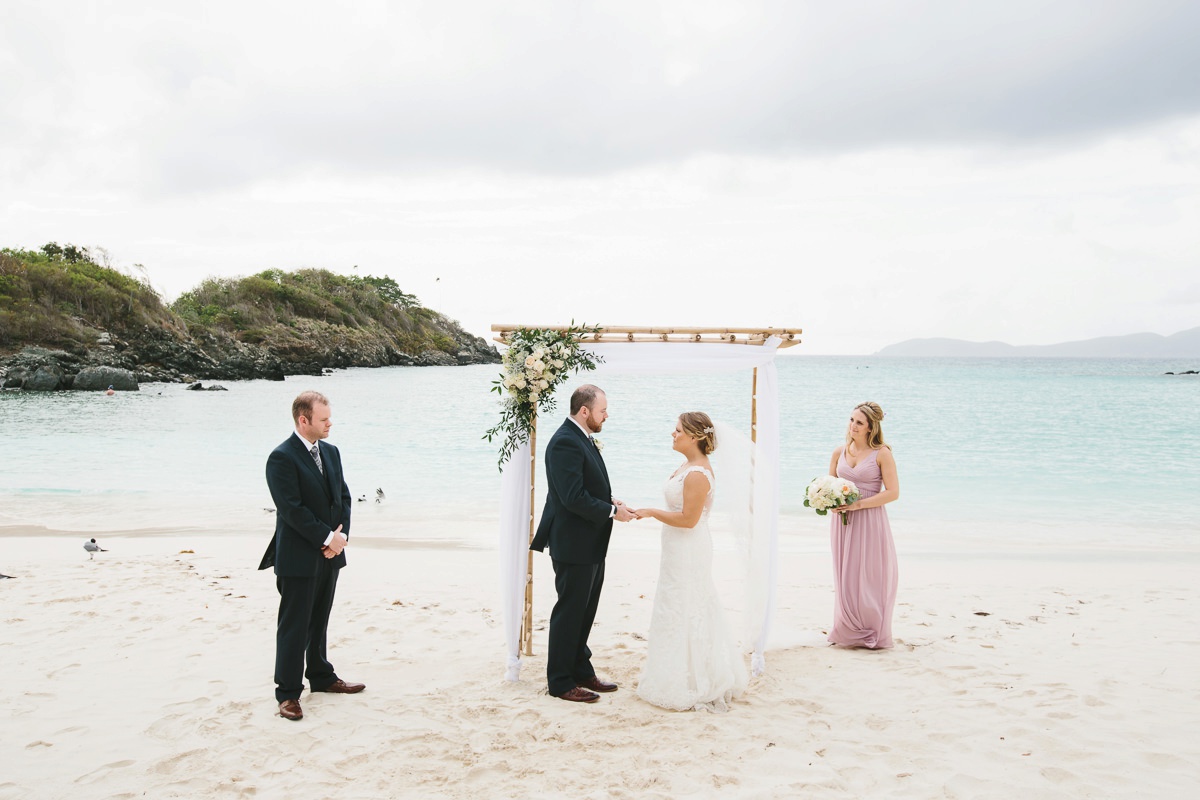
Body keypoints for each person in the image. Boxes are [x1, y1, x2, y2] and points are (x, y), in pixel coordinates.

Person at [259, 390, 365, 721]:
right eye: (323, 419)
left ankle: (320, 677)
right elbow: (291, 509)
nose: (330, 423)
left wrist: (341, 536)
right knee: (295, 625)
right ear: (303, 421)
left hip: (331, 553)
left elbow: (344, 497)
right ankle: (288, 693)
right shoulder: (282, 457)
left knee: (320, 619)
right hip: (298, 555)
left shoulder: (331, 452)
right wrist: (325, 537)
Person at [633, 412, 748, 711]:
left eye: (678, 430)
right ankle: (673, 668)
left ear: (695, 436)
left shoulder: (697, 474)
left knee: (687, 603)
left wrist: (651, 512)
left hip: (688, 548)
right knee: (674, 602)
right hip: (676, 548)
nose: (673, 434)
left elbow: (688, 519)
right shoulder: (686, 466)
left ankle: (693, 678)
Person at [531, 384, 637, 703]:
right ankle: (561, 681)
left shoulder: (582, 437)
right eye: (603, 410)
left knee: (585, 611)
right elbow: (571, 497)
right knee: (570, 611)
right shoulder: (565, 441)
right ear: (585, 411)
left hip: (590, 540)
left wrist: (609, 499)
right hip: (573, 541)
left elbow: (583, 484)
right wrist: (611, 512)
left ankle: (580, 668)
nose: (607, 415)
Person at [827, 401, 900, 649]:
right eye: (851, 420)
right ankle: (847, 628)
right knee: (845, 574)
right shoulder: (839, 452)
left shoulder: (882, 453)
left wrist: (859, 505)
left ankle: (872, 629)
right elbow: (829, 485)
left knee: (868, 575)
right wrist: (829, 502)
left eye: (859, 422)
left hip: (870, 520)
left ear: (870, 428)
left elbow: (893, 493)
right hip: (843, 522)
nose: (853, 426)